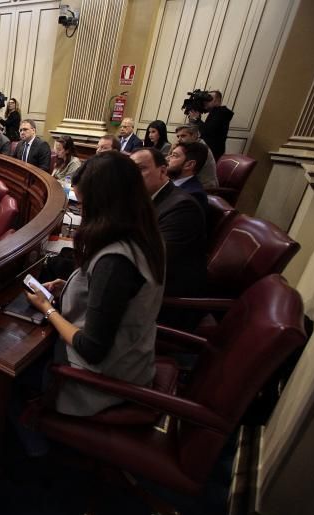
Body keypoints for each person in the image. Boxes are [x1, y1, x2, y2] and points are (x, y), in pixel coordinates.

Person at [25, 151, 165, 417]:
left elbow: (92, 349)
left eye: (84, 205)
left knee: (5, 370)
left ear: (104, 204)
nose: (82, 213)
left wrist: (47, 308)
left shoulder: (115, 261)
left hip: (99, 384)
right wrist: (69, 284)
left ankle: (35, 444)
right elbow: (119, 297)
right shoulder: (145, 235)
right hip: (133, 359)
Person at [130, 148, 207, 304]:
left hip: (166, 298)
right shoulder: (146, 197)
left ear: (163, 171)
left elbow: (153, 258)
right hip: (142, 280)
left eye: (141, 169)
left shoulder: (183, 207)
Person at [189, 90, 234, 160]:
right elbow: (209, 130)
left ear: (217, 101)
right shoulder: (216, 112)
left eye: (209, 98)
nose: (205, 101)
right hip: (209, 150)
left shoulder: (221, 113)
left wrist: (197, 119)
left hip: (213, 152)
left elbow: (207, 132)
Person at [166, 141, 209, 213]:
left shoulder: (193, 195)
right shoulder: (169, 182)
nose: (168, 158)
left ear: (189, 165)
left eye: (174, 155)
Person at [174, 124, 218, 188]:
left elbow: (181, 169)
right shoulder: (190, 146)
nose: (179, 140)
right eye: (178, 136)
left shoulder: (200, 148)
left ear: (194, 135)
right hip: (192, 183)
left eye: (183, 136)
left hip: (205, 187)